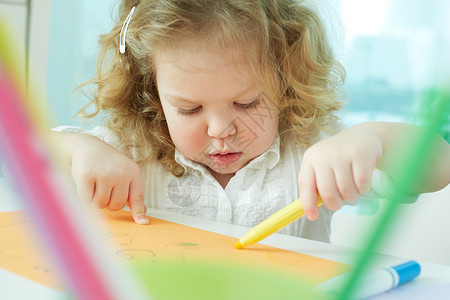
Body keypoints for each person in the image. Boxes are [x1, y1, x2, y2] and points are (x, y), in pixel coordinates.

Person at [53, 0, 449, 243]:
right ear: (152, 94)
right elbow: (25, 153)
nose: (220, 129)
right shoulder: (133, 151)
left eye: (246, 102)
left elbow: (439, 164)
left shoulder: (310, 148)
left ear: (286, 80)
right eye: (190, 109)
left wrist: (373, 139)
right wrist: (79, 149)